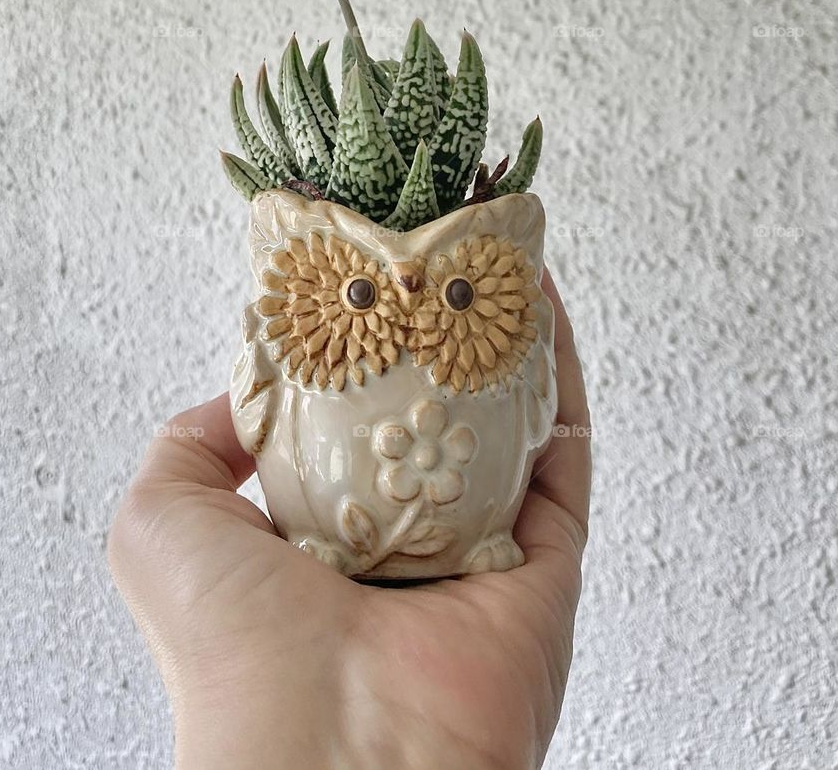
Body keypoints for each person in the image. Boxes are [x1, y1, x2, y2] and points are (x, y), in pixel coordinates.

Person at [108, 269, 591, 769]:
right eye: (359, 291)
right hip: (325, 552)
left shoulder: (512, 347)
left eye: (459, 291)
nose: (407, 309)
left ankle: (479, 540)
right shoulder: (294, 347)